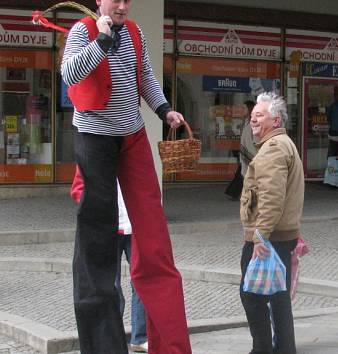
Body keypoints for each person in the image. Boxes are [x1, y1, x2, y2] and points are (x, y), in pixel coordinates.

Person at [61, 1, 191, 352]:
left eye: (127, 0)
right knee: (97, 245)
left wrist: (164, 110)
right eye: (115, 0)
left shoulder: (135, 32)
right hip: (94, 137)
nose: (121, 6)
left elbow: (145, 76)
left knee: (154, 241)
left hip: (132, 136)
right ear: (100, 1)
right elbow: (70, 74)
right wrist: (101, 42)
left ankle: (171, 346)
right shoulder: (82, 31)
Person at [239, 92, 304, 354]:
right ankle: (285, 348)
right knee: (278, 294)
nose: (253, 120)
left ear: (275, 120)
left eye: (259, 115)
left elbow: (272, 197)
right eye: (252, 115)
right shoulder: (282, 143)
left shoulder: (274, 148)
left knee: (251, 294)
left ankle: (262, 348)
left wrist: (259, 236)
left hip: (269, 236)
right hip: (280, 234)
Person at [70, 168, 148, 352]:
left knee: (141, 282)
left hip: (134, 228)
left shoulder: (131, 157)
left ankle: (140, 336)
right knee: (110, 286)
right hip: (106, 230)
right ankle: (112, 337)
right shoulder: (95, 153)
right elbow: (78, 189)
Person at [240, 100, 258, 177]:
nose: (242, 110)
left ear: (250, 109)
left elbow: (256, 143)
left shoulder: (254, 124)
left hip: (251, 160)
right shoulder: (246, 123)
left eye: (244, 108)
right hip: (246, 159)